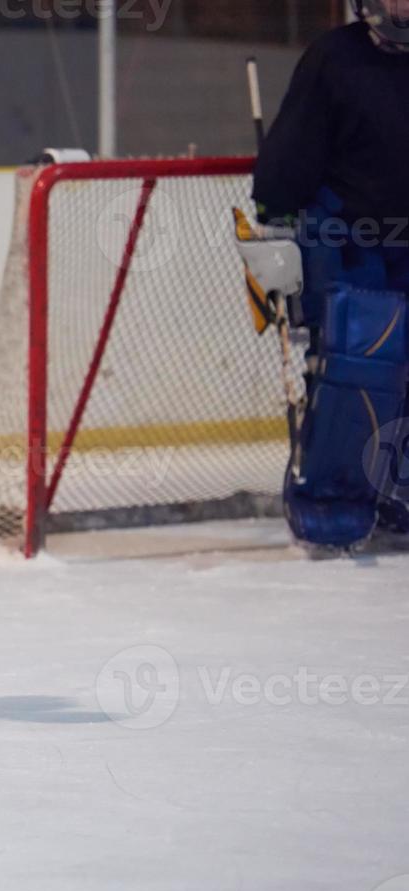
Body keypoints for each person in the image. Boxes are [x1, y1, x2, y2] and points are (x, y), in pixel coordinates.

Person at [247, 0, 409, 553]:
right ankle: (335, 501)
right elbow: (291, 158)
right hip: (353, 243)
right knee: (361, 367)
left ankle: (402, 498)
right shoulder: (334, 59)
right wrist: (273, 217)